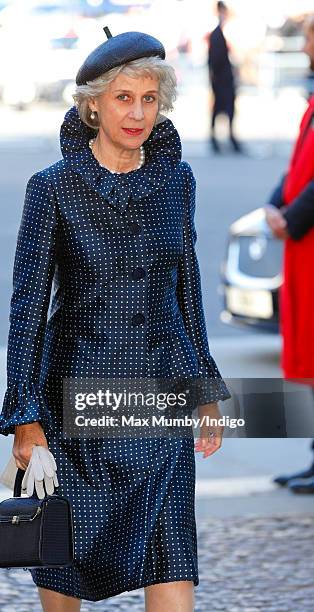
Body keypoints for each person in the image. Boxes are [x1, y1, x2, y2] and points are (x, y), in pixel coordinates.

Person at [0, 29, 230, 611]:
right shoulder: (52, 187)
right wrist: (24, 416)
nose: (137, 113)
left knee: (170, 553)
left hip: (160, 397)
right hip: (75, 402)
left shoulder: (177, 181)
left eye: (150, 99)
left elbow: (187, 287)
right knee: (64, 563)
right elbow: (27, 307)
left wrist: (205, 387)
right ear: (92, 103)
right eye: (124, 98)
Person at [265, 15, 314, 495]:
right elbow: (298, 161)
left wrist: (292, 215)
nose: (305, 46)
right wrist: (276, 202)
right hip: (303, 246)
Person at [207, 1, 242, 153]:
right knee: (223, 108)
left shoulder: (220, 33)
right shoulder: (217, 34)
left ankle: (221, 139)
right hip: (222, 80)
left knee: (223, 109)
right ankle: (220, 139)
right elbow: (215, 60)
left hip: (223, 79)